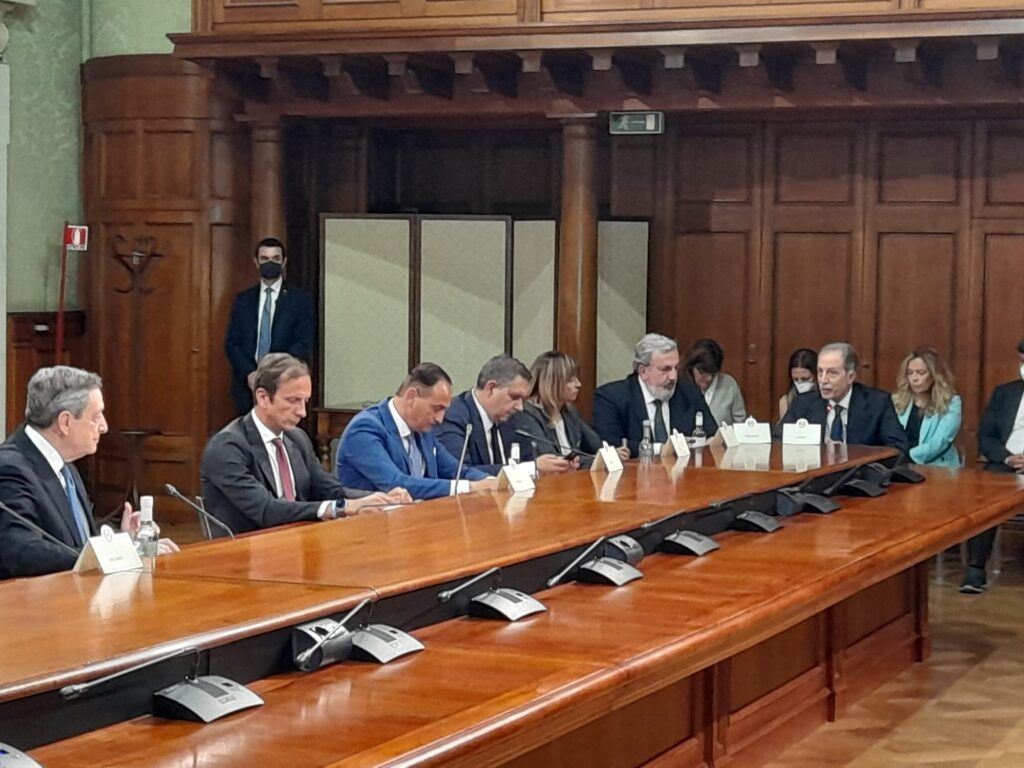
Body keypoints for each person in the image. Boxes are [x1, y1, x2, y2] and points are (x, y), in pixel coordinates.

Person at [0, 366, 177, 579]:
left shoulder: (65, 465)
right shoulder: (10, 468)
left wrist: (123, 541)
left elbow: (75, 539)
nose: (104, 426)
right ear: (65, 422)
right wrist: (114, 554)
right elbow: (21, 551)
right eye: (96, 416)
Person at [201, 353, 408, 535]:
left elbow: (329, 490)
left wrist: (378, 499)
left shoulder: (297, 438)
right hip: (244, 554)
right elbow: (266, 511)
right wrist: (341, 508)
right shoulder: (227, 447)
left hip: (298, 543)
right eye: (293, 401)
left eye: (305, 402)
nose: (302, 412)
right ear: (263, 398)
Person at [337, 363, 498, 500]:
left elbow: (456, 471)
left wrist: (492, 481)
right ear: (411, 397)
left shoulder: (423, 430)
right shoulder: (364, 429)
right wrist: (470, 487)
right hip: (370, 522)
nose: (440, 419)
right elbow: (397, 483)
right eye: (436, 408)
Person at [436, 355, 573, 475]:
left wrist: (555, 466)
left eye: (523, 400)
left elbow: (528, 459)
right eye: (515, 397)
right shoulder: (454, 416)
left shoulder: (511, 419)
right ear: (491, 388)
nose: (520, 407)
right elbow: (459, 473)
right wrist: (530, 468)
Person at [225, 237, 316, 415]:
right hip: (246, 385)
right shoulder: (243, 300)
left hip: (285, 384)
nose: (270, 263)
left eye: (275, 258)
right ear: (256, 262)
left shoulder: (300, 300)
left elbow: (303, 342)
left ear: (284, 262)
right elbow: (232, 343)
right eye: (265, 259)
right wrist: (251, 373)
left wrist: (275, 373)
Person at [962, 339, 1024, 593]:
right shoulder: (1005, 393)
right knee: (983, 497)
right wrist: (1007, 457)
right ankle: (975, 571)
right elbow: (985, 437)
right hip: (1006, 464)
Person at [592, 333, 717, 457]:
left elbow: (712, 434)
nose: (673, 377)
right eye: (666, 369)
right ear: (643, 372)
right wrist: (660, 449)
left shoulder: (688, 392)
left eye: (676, 368)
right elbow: (611, 446)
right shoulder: (610, 398)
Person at [780, 342, 909, 453]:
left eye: (832, 373)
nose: (823, 380)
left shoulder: (877, 403)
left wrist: (855, 457)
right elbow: (778, 440)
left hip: (859, 473)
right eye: (820, 372)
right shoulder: (803, 403)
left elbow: (898, 449)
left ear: (850, 377)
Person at [512, 351, 629, 469]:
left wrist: (610, 455)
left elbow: (596, 446)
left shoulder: (569, 412)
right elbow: (553, 461)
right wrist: (597, 459)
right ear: (553, 382)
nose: (578, 384)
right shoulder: (527, 414)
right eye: (571, 380)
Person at [892, 347, 961, 467]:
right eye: (910, 373)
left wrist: (907, 457)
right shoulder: (896, 401)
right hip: (898, 465)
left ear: (935, 375)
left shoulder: (951, 403)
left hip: (937, 467)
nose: (914, 378)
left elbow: (940, 442)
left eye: (921, 373)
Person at [683, 338, 746, 426]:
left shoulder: (729, 384)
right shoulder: (682, 386)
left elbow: (740, 422)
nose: (709, 378)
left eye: (713, 374)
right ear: (692, 367)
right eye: (703, 372)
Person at [778, 348, 818, 421]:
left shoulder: (827, 400)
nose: (800, 383)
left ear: (817, 376)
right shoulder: (786, 401)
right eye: (796, 379)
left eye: (805, 379)